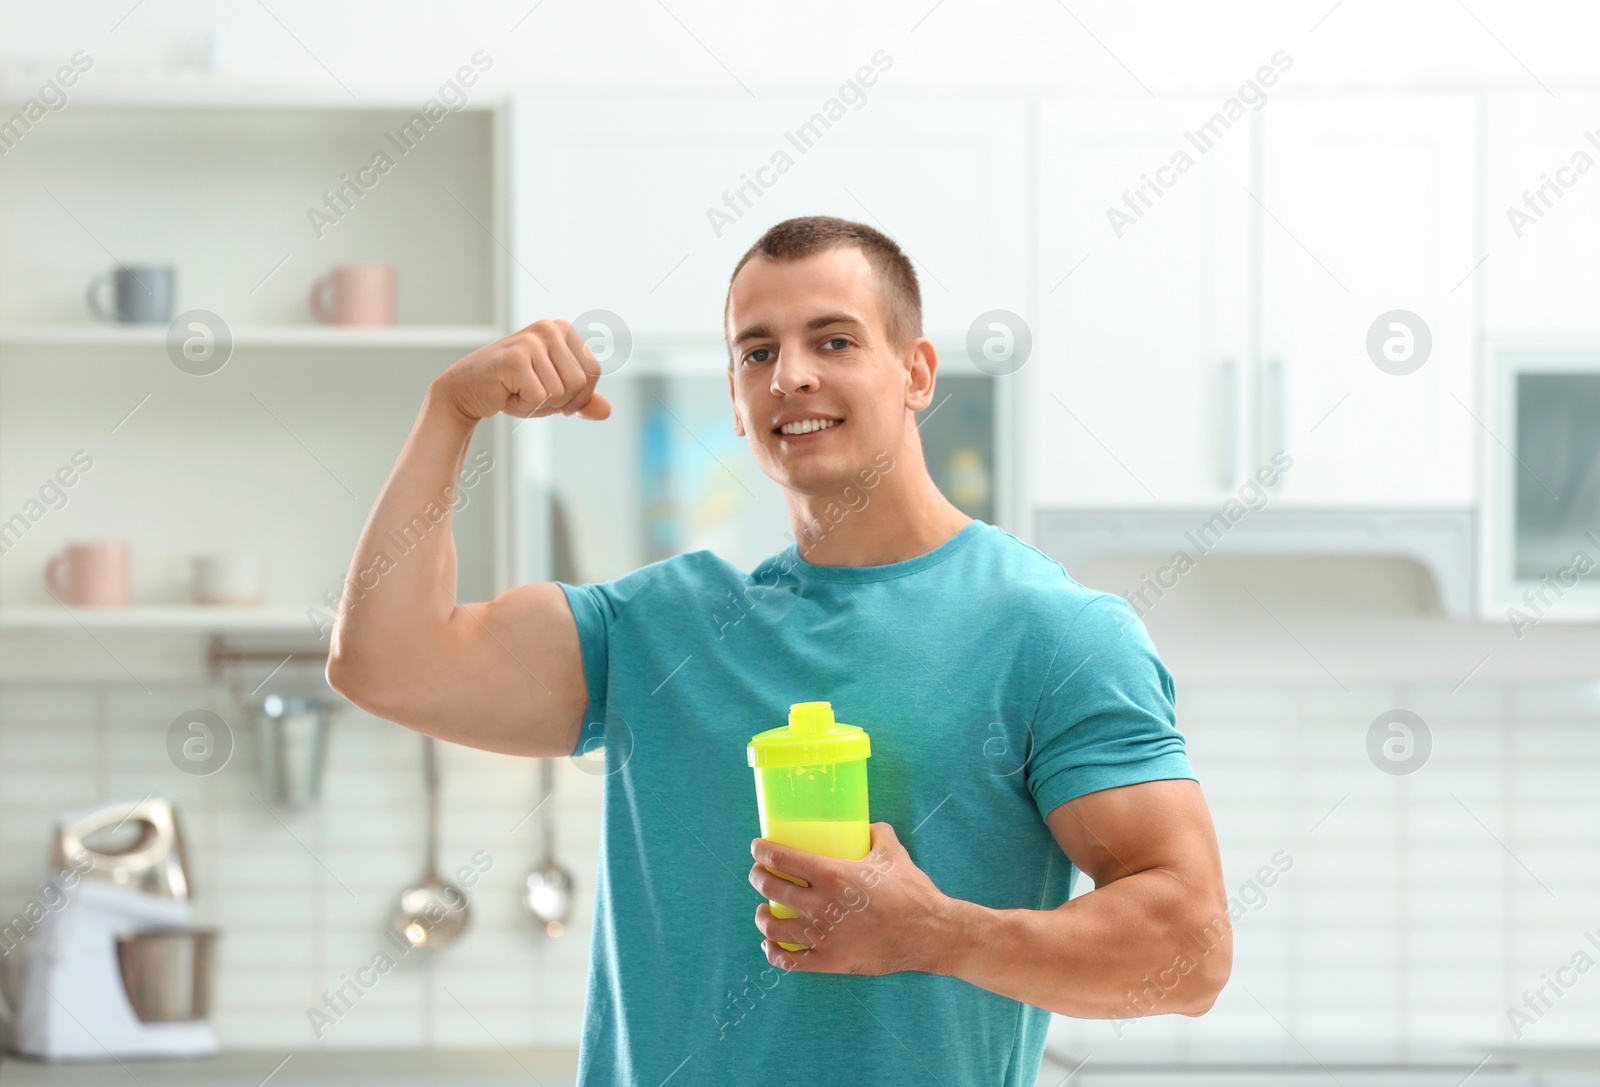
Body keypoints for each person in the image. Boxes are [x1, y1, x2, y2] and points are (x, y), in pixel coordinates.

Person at [328, 215, 1232, 1086]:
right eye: (757, 352)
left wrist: (939, 933)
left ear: (916, 372)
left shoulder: (1055, 632)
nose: (789, 375)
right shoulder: (661, 630)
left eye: (833, 341)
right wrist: (451, 411)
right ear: (734, 397)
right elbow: (385, 661)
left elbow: (1191, 951)